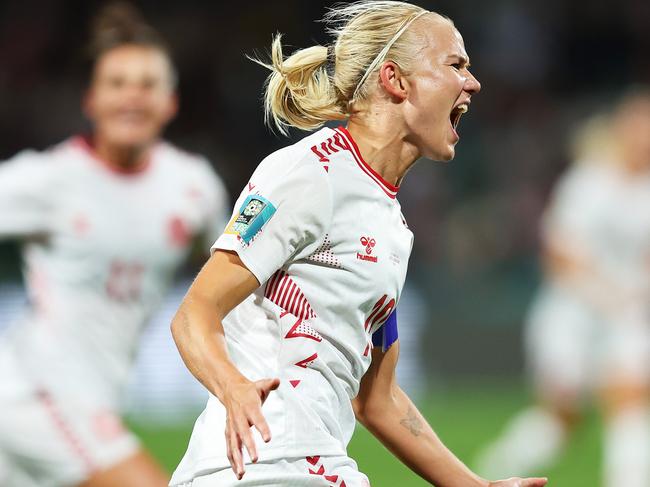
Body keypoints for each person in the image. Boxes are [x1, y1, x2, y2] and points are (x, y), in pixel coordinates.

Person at [169, 2, 547, 486]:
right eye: (456, 65)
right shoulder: (308, 173)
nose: (472, 83)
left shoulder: (393, 226)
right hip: (263, 464)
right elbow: (194, 313)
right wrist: (233, 388)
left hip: (314, 464)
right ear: (395, 79)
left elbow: (378, 400)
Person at [0, 3, 228, 487]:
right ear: (92, 100)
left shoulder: (194, 188)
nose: (132, 98)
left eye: (147, 85)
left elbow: (238, 279)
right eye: (117, 84)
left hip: (97, 398)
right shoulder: (48, 179)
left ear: (171, 102)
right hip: (33, 393)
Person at [474, 89, 650, 487]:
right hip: (572, 312)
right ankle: (495, 469)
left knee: (629, 397)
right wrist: (604, 291)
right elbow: (559, 252)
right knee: (562, 418)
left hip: (626, 314)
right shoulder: (589, 182)